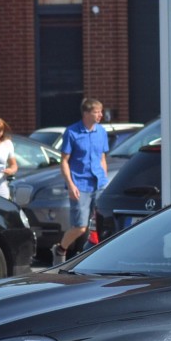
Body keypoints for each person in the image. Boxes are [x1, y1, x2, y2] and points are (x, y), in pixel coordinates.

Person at [55, 97, 110, 265]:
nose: (101, 115)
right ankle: (60, 249)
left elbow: (102, 157)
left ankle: (97, 258)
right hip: (80, 184)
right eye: (96, 112)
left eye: (101, 111)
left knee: (102, 226)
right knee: (80, 226)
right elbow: (64, 160)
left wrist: (104, 178)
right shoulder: (72, 132)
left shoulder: (101, 132)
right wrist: (71, 185)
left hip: (99, 183)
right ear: (86, 113)